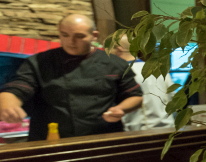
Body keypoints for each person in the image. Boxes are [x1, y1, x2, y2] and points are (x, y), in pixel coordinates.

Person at [0, 14, 143, 140]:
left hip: (103, 139)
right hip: (51, 140)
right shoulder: (39, 61)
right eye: (65, 35)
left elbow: (135, 96)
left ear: (94, 36)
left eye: (79, 36)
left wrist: (121, 109)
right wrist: (8, 104)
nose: (71, 41)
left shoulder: (114, 63)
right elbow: (18, 87)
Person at [111, 35, 176, 131]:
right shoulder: (159, 70)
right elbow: (173, 99)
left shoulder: (123, 73)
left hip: (139, 131)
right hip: (168, 128)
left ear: (118, 49)